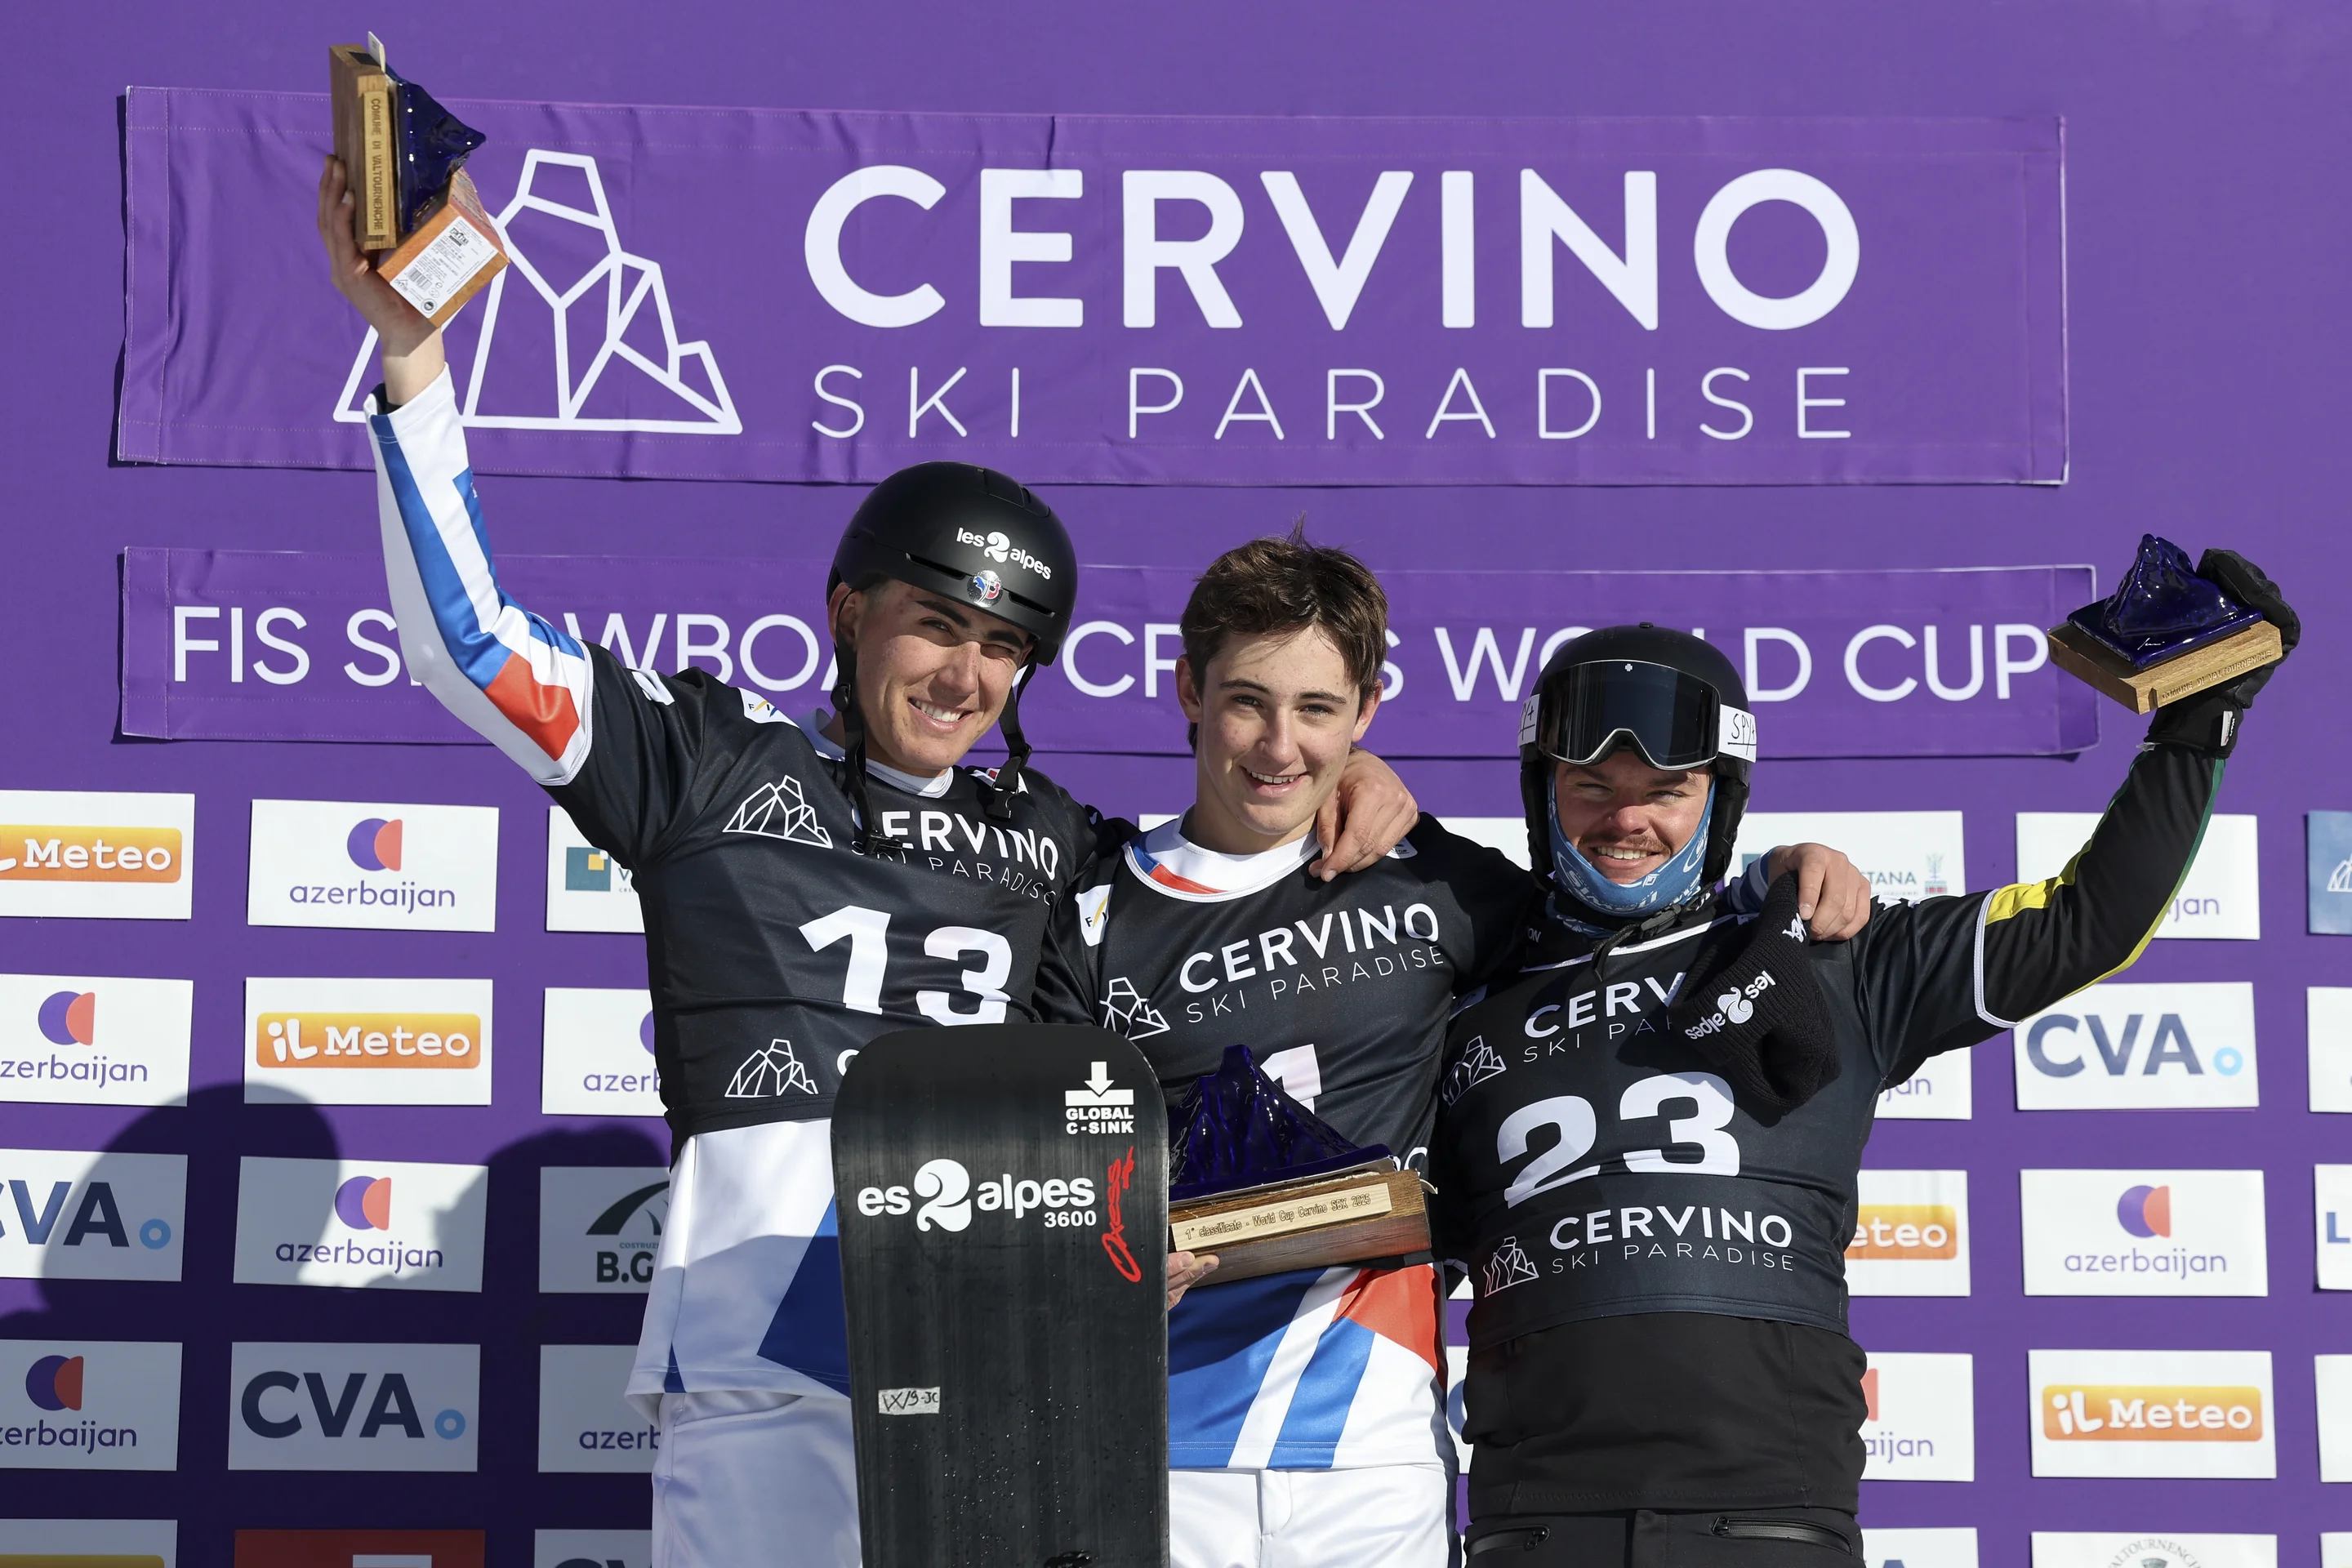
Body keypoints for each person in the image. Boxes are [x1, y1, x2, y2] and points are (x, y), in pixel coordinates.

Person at [314, 158, 1420, 1568]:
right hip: (763, 1370)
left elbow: (1226, 864)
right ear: (848, 612)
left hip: (988, 1359)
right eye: (936, 624)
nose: (966, 675)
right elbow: (470, 646)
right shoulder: (704, 765)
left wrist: (1358, 776)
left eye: (1005, 645)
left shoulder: (1057, 843)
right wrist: (412, 353)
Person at [1431, 575, 2297, 1566]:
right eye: (1591, 786)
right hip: (1537, 1526)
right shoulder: (1459, 996)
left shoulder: (1833, 956)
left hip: (1769, 1518)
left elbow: (2086, 920)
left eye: (1668, 791)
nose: (1628, 820)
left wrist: (2198, 719)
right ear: (1541, 791)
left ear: (1722, 798)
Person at [1045, 532, 1873, 1568]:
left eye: (1317, 709)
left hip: (1375, 1453)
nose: (1279, 744)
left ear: (1366, 711)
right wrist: (1096, 1256)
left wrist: (1779, 871)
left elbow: (1626, 911)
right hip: (1159, 1437)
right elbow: (1039, 1185)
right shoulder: (1088, 912)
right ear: (1188, 691)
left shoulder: (1444, 885)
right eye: (1248, 701)